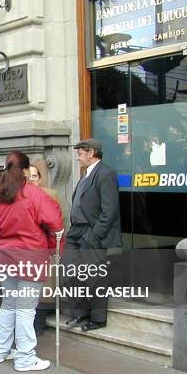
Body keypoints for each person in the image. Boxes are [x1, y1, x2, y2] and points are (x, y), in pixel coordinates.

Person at [0, 151, 63, 372]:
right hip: (31, 256)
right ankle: (25, 357)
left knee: (9, 304)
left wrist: (0, 246)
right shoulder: (34, 195)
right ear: (27, 170)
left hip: (6, 256)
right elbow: (56, 225)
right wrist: (53, 249)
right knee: (26, 309)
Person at [64, 139, 121, 331]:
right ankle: (81, 313)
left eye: (80, 153)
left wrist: (95, 235)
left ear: (92, 153)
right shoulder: (86, 174)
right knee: (69, 271)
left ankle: (98, 318)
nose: (78, 158)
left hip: (92, 232)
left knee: (95, 276)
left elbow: (109, 210)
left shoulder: (106, 174)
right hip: (76, 232)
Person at [28, 163, 63, 336]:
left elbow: (57, 222)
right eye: (28, 176)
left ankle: (39, 323)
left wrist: (56, 249)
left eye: (34, 176)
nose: (31, 179)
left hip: (45, 248)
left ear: (40, 179)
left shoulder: (50, 195)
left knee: (43, 288)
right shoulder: (18, 196)